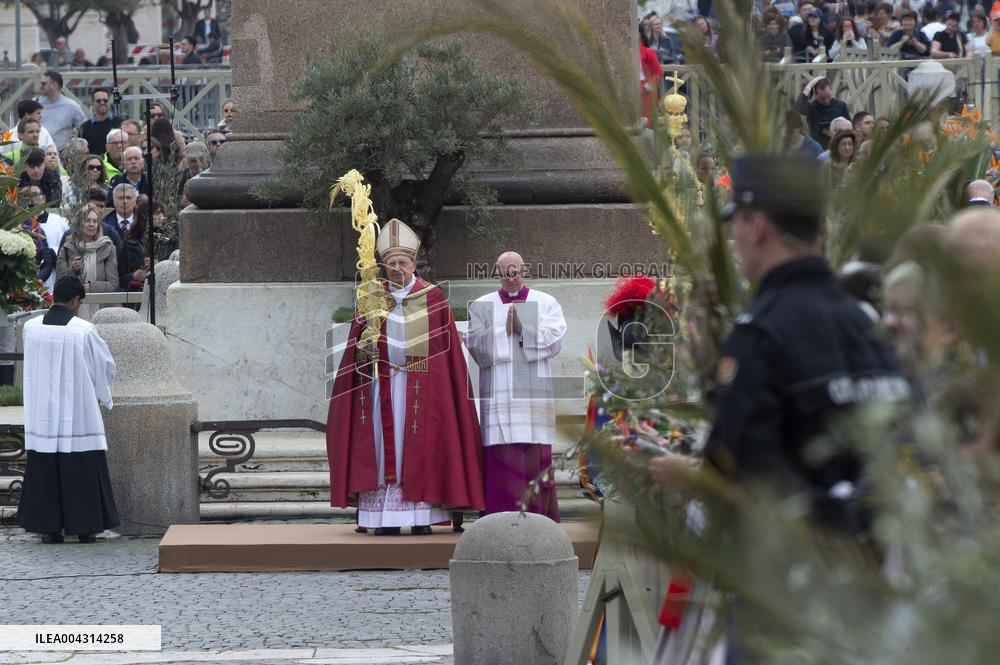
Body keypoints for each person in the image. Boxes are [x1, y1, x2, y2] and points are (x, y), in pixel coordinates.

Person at [647, 154, 910, 661]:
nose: (736, 242)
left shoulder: (760, 335)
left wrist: (692, 477)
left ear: (758, 225)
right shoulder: (865, 328)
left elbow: (745, 482)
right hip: (872, 590)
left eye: (737, 226)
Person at [325, 218, 485, 535]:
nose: (397, 267)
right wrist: (363, 354)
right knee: (384, 449)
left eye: (403, 262)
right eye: (391, 263)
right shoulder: (371, 299)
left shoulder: (433, 298)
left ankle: (422, 516)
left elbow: (446, 355)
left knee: (423, 449)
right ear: (384, 267)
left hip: (423, 392)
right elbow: (355, 351)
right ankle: (383, 518)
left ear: (413, 264)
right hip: (379, 388)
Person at [465, 251, 567, 520]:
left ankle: (538, 517)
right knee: (501, 457)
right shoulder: (481, 305)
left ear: (524, 271)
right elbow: (475, 346)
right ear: (497, 274)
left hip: (533, 400)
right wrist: (503, 331)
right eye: (505, 273)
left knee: (534, 456)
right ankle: (498, 516)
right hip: (498, 398)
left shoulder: (545, 302)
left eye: (516, 272)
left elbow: (556, 341)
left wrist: (523, 330)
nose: (511, 278)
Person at [16, 276, 118, 544]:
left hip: (43, 413)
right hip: (78, 410)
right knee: (81, 464)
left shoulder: (31, 328)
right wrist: (102, 393)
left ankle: (48, 528)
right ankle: (85, 527)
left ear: (52, 297)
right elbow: (104, 366)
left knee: (45, 463)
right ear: (75, 301)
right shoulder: (83, 330)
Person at [56, 206, 118, 321]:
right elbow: (59, 283)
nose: (92, 224)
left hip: (101, 313)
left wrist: (91, 287)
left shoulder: (108, 248)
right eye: (87, 220)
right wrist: (72, 270)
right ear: (79, 223)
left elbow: (113, 284)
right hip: (73, 314)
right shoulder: (67, 248)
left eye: (95, 221)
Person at [35, 70, 86, 149]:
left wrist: (72, 144)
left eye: (43, 84)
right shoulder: (34, 103)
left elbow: (84, 129)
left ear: (55, 85)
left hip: (61, 154)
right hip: (36, 153)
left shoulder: (72, 106)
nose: (40, 87)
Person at [794, 75, 851, 144]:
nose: (827, 101)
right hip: (818, 147)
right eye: (822, 98)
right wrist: (809, 86)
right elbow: (798, 108)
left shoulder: (841, 105)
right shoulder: (812, 107)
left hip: (838, 145)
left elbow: (849, 128)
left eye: (829, 96)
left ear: (831, 89)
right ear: (815, 94)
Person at [117, 207, 149, 310]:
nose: (160, 217)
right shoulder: (128, 245)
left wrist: (159, 264)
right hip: (135, 299)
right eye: (156, 213)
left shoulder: (167, 241)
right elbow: (119, 278)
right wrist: (133, 275)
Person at [78, 89, 122, 157]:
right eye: (98, 101)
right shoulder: (84, 128)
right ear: (92, 103)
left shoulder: (120, 124)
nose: (102, 103)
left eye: (105, 100)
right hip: (95, 166)